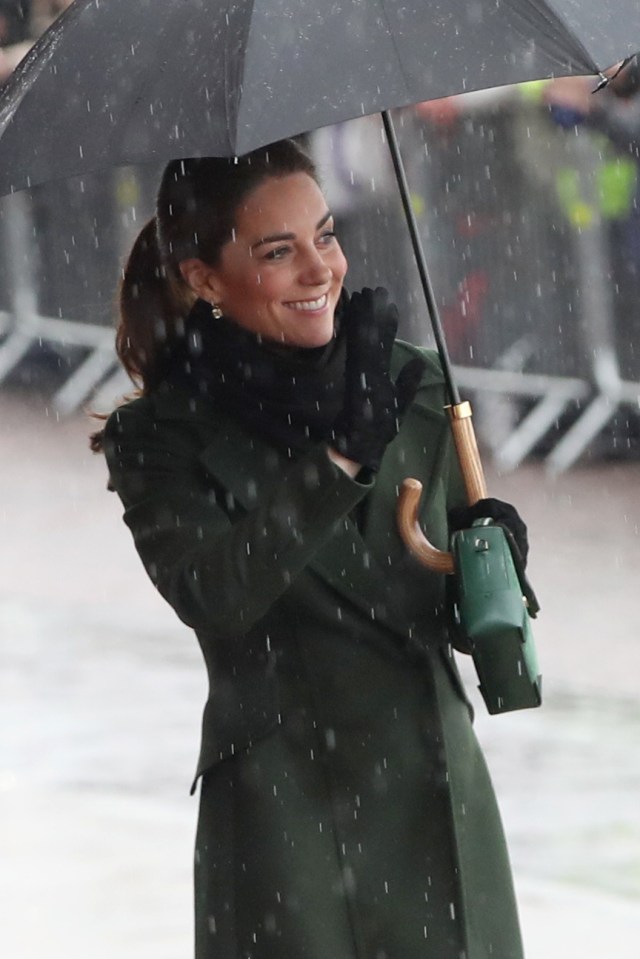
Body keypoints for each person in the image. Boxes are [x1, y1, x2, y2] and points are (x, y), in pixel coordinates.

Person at [93, 138, 527, 959]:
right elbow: (212, 595)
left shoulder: (410, 380)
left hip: (434, 800)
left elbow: (448, 607)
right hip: (282, 814)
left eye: (325, 235)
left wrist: (493, 556)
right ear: (204, 279)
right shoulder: (157, 438)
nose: (320, 269)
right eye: (277, 251)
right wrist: (336, 464)